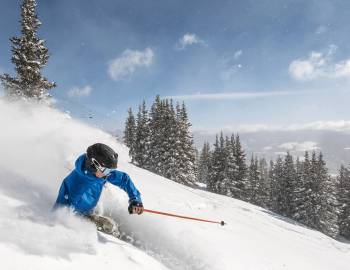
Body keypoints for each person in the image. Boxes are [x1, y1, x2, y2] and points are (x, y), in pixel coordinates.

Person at [54, 143, 144, 237]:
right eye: (106, 170)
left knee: (111, 226)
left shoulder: (102, 173)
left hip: (90, 208)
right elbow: (61, 214)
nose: (109, 174)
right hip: (79, 216)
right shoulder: (75, 186)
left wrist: (135, 199)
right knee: (109, 227)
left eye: (110, 170)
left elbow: (124, 180)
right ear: (93, 165)